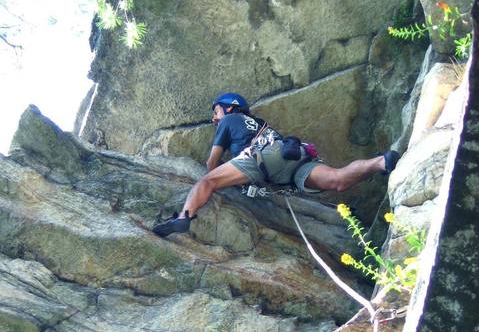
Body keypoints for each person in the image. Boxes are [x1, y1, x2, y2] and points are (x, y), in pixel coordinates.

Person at [152, 92, 399, 237]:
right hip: (293, 154)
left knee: (207, 182)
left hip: (261, 158)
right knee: (337, 179)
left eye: (216, 111)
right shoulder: (258, 123)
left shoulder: (230, 120)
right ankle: (381, 162)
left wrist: (224, 178)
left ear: (229, 107)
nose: (214, 118)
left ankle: (185, 216)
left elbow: (211, 163)